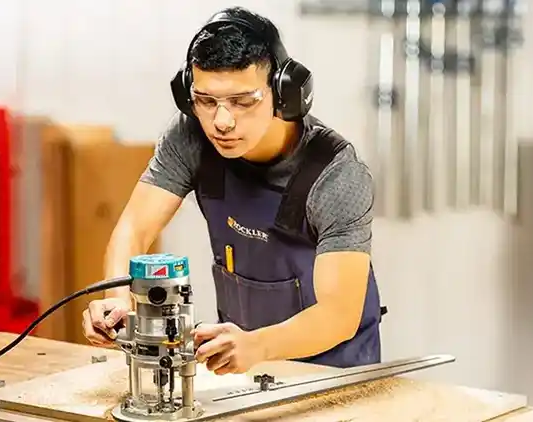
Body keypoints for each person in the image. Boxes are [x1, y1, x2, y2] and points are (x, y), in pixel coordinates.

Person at [82, 6, 385, 374]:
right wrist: (118, 304)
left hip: (332, 374)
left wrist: (258, 344)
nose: (221, 122)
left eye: (243, 101)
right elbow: (134, 229)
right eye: (206, 101)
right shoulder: (191, 137)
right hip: (244, 368)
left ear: (284, 93)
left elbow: (339, 316)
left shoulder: (336, 174)